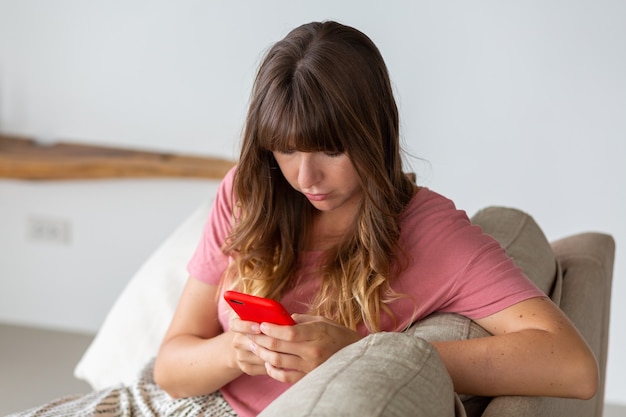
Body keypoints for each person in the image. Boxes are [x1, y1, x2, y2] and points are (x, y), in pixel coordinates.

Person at [151, 20, 598, 417]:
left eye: (331, 149)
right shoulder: (249, 193)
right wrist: (236, 350)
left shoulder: (429, 232)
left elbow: (573, 367)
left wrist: (362, 353)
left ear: (374, 133)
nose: (306, 178)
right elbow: (170, 368)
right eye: (286, 150)